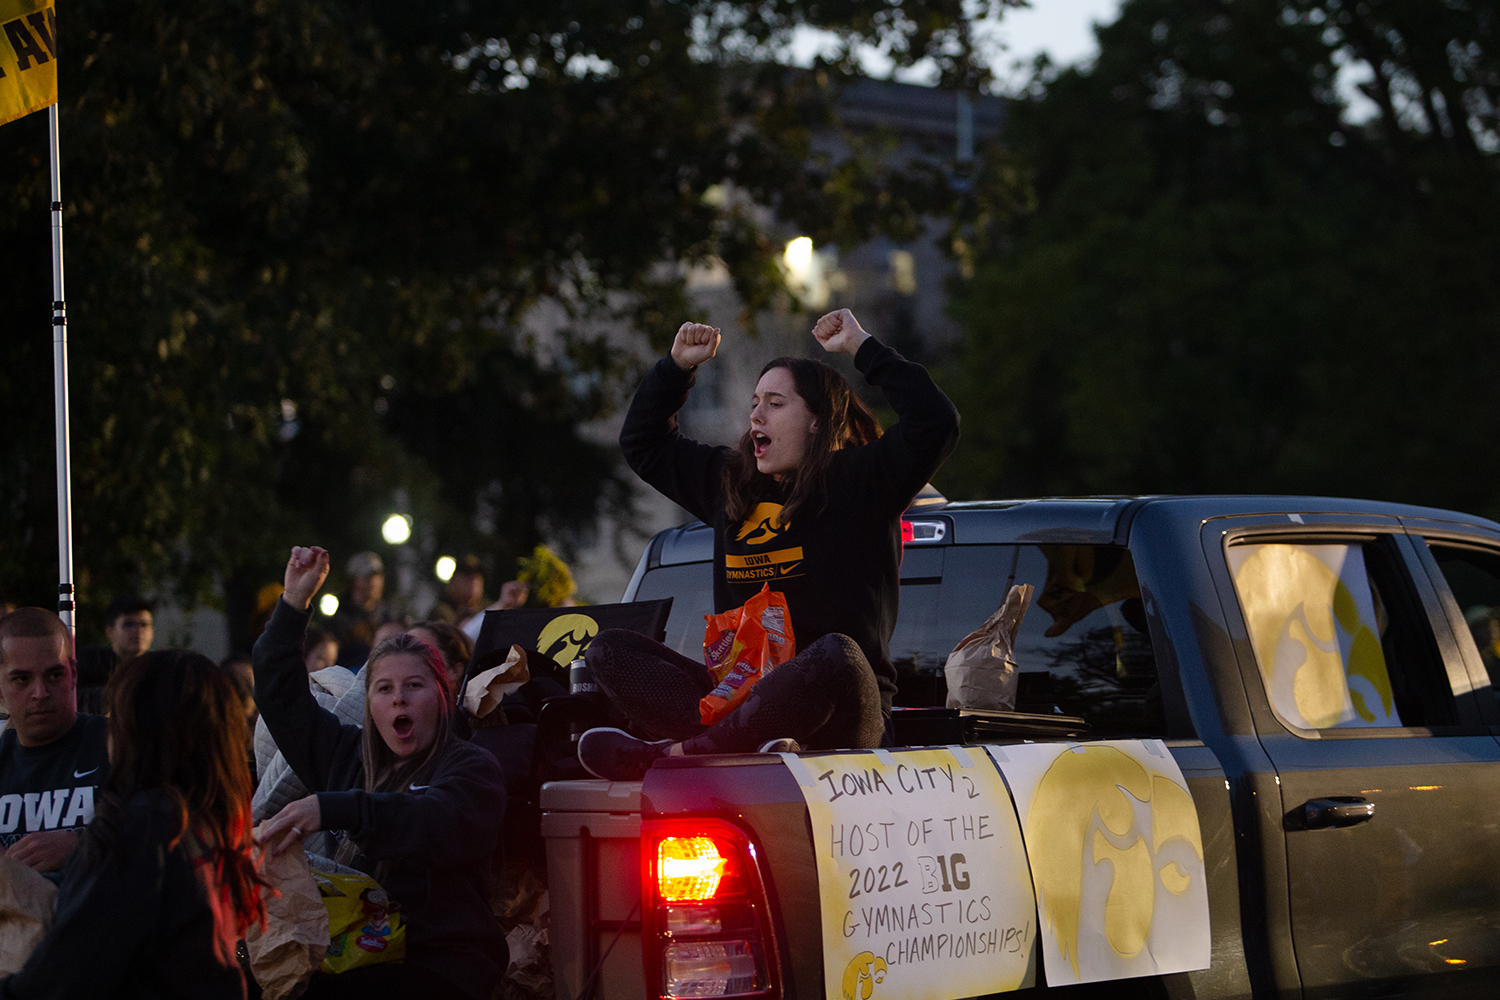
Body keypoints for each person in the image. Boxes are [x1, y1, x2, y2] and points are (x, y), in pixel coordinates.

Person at [578, 308, 959, 779]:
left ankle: (685, 756)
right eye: (755, 402)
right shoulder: (730, 483)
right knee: (607, 649)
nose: (756, 413)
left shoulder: (860, 481)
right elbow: (643, 443)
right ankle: (732, 743)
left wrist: (862, 346)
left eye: (775, 404)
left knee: (836, 653)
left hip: (843, 717)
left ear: (817, 422)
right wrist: (676, 369)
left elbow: (935, 422)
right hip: (743, 699)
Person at [255, 546, 507, 1000]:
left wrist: (333, 807)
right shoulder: (346, 755)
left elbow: (429, 821)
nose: (398, 700)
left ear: (442, 695)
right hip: (355, 950)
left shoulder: (472, 767)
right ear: (369, 704)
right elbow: (280, 696)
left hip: (437, 963)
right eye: (384, 688)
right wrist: (293, 604)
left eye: (414, 686)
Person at [0, 649, 266, 998]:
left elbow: (68, 974)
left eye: (117, 716)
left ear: (138, 729)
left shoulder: (142, 830)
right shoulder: (204, 817)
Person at [0, 608, 110, 874]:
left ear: (73, 674)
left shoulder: (118, 745)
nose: (40, 693)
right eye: (22, 679)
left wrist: (83, 846)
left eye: (54, 675)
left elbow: (167, 837)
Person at [74, 595, 154, 715]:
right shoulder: (93, 669)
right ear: (109, 632)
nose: (138, 630)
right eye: (128, 624)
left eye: (144, 624)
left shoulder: (159, 673)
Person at [325, 550, 399, 667]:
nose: (374, 582)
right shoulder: (339, 617)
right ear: (354, 579)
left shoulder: (389, 615)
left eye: (378, 576)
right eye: (367, 577)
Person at [429, 555, 486, 629]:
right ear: (453, 580)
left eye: (476, 576)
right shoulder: (441, 611)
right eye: (466, 575)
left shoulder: (485, 611)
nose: (472, 581)